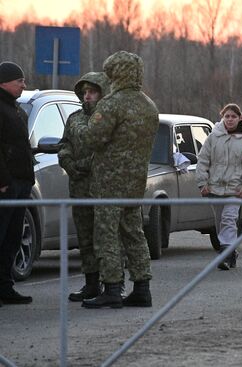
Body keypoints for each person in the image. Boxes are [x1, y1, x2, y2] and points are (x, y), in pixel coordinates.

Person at [72, 51, 160, 308]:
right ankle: (142, 287)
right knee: (134, 233)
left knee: (106, 235)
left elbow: (91, 138)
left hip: (108, 182)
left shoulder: (111, 104)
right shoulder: (148, 105)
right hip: (135, 181)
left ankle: (112, 287)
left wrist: (77, 125)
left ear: (116, 74)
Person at [58, 72, 110, 302]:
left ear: (102, 93)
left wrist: (83, 164)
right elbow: (64, 144)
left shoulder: (108, 118)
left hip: (101, 187)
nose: (87, 96)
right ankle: (90, 283)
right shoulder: (74, 118)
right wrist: (68, 162)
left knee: (105, 237)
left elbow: (106, 151)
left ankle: (110, 283)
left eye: (92, 92)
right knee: (85, 237)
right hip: (78, 186)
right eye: (85, 93)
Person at [196, 103, 242, 270]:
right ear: (222, 117)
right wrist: (202, 182)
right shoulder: (213, 137)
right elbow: (203, 160)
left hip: (235, 189)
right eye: (227, 116)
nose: (230, 120)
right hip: (215, 188)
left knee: (229, 219)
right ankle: (231, 252)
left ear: (239, 118)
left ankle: (224, 254)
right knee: (219, 221)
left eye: (234, 117)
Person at [0, 61, 34, 305]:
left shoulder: (16, 109)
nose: (23, 85)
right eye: (19, 81)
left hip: (21, 182)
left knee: (13, 237)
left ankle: (5, 286)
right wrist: (2, 181)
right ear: (4, 82)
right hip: (6, 184)